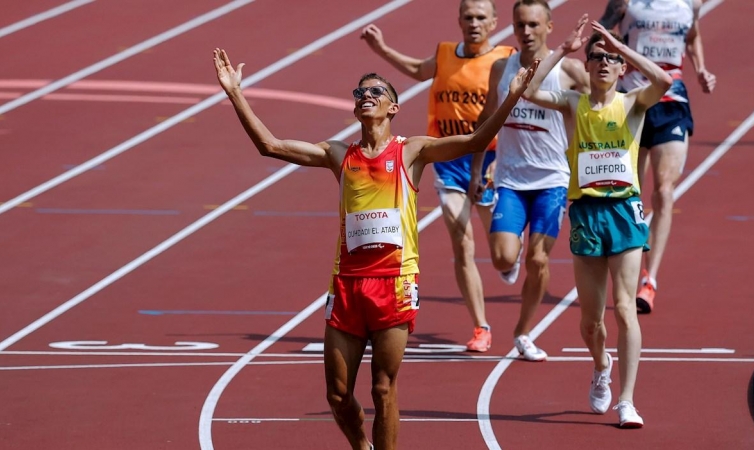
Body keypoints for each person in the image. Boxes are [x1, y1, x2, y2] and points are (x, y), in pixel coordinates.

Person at [213, 48, 535, 449]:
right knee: (337, 394)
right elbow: (271, 146)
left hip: (394, 282)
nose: (366, 95)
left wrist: (513, 96)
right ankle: (362, 445)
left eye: (376, 91)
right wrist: (235, 94)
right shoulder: (338, 155)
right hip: (347, 284)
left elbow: (477, 139)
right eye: (359, 92)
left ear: (393, 107)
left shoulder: (412, 151)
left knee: (383, 389)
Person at [521, 14, 672, 427]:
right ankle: (601, 363)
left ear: (621, 68)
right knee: (591, 322)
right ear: (586, 67)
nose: (604, 63)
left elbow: (664, 82)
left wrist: (621, 46)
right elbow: (531, 90)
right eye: (597, 58)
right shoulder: (574, 104)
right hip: (587, 214)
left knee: (625, 308)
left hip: (623, 211)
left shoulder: (633, 103)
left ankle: (627, 400)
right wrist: (563, 50)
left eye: (610, 59)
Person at [360, 0, 516, 352]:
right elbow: (418, 70)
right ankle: (481, 326)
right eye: (468, 17)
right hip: (448, 158)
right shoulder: (446, 54)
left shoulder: (505, 58)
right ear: (459, 20)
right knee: (462, 243)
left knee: (501, 254)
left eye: (481, 17)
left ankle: (508, 257)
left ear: (493, 22)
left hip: (491, 159)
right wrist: (381, 48)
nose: (474, 23)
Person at [476, 0, 589, 361]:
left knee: (539, 262)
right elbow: (485, 121)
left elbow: (599, 111)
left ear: (549, 27)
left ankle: (523, 331)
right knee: (501, 259)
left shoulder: (569, 71)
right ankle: (513, 249)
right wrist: (479, 168)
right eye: (520, 25)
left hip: (553, 180)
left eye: (533, 25)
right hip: (510, 179)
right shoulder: (500, 69)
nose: (526, 32)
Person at [599, 0, 716, 314]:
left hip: (672, 104)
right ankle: (628, 263)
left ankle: (650, 280)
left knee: (664, 192)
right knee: (629, 192)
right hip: (631, 103)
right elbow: (600, 33)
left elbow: (692, 37)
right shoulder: (627, 1)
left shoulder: (689, 4)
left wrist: (700, 68)